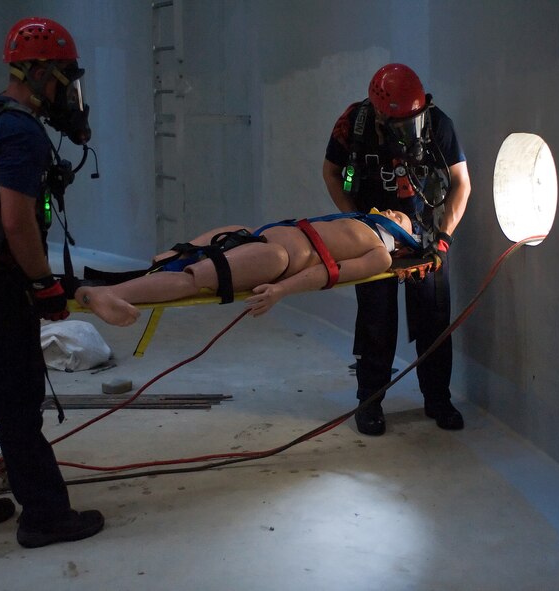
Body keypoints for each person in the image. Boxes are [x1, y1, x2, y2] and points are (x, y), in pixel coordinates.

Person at [0, 18, 139, 548]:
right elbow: (16, 221)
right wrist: (44, 286)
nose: (68, 92)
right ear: (37, 73)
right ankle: (44, 517)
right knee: (17, 401)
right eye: (64, 78)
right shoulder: (20, 133)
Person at [322, 63, 471, 436]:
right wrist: (354, 222)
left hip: (426, 234)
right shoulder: (352, 125)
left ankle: (437, 398)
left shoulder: (438, 125)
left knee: (434, 318)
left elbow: (461, 183)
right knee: (376, 319)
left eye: (414, 120)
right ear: (377, 113)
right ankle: (369, 402)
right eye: (400, 124)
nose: (410, 131)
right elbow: (330, 171)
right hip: (374, 235)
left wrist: (444, 238)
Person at [82, 209, 417, 317]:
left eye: (398, 216)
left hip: (279, 258)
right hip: (262, 235)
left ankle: (115, 294)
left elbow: (328, 272)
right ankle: (141, 273)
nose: (389, 212)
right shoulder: (355, 219)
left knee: (194, 278)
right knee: (189, 251)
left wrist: (281, 290)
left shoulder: (380, 254)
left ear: (401, 241)